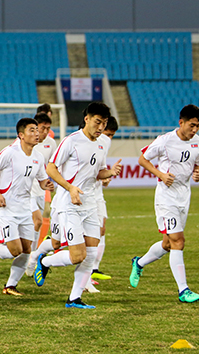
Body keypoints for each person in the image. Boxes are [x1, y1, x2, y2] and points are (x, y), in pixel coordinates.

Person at [33, 102, 122, 309]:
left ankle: (74, 299)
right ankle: (44, 262)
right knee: (77, 256)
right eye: (97, 122)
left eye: (104, 123)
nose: (100, 127)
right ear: (87, 119)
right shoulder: (71, 141)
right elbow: (51, 168)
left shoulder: (101, 144)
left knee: (90, 255)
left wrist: (109, 172)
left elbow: (98, 172)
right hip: (69, 205)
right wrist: (69, 187)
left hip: (90, 204)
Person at [129, 105, 199, 303]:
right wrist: (161, 175)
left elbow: (198, 164)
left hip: (184, 197)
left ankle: (139, 263)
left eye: (197, 126)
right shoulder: (165, 141)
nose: (194, 130)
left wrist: (198, 172)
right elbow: (142, 159)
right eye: (191, 125)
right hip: (166, 198)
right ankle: (183, 290)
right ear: (181, 123)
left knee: (168, 244)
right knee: (178, 241)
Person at [0, 118, 53, 296]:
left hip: (25, 207)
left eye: (37, 130)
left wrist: (47, 185)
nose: (36, 133)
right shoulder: (10, 152)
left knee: (26, 250)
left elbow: (42, 179)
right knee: (15, 251)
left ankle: (10, 285)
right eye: (31, 130)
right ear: (21, 135)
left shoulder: (38, 156)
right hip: (7, 208)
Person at [25, 113, 57, 276]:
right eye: (42, 128)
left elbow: (53, 164)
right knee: (37, 221)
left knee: (35, 223)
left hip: (41, 189)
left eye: (47, 128)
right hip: (26, 190)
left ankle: (31, 253)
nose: (45, 132)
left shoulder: (51, 143)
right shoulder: (27, 143)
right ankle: (31, 258)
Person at [90, 116, 119, 285]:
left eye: (112, 136)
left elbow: (100, 171)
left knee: (101, 229)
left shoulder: (103, 145)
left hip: (97, 195)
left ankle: (93, 270)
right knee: (81, 238)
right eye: (107, 134)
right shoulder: (83, 143)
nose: (109, 139)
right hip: (83, 196)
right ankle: (43, 254)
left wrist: (106, 178)